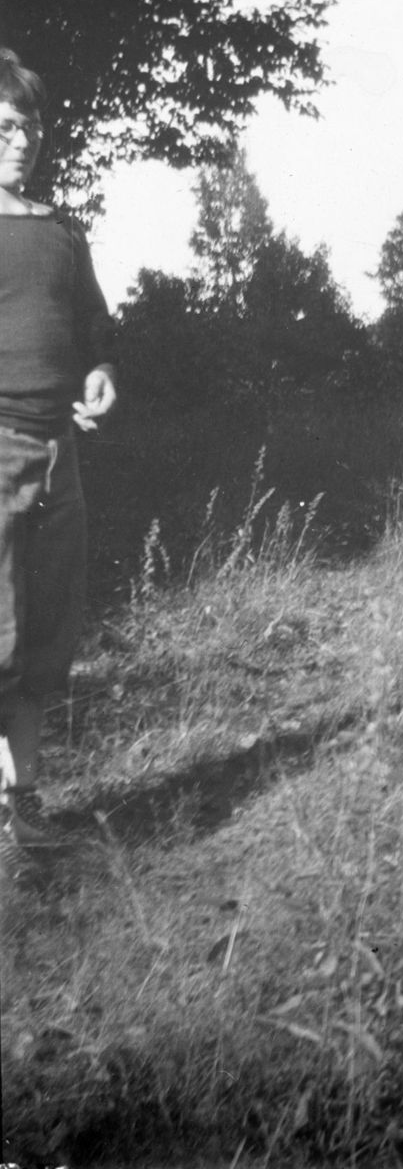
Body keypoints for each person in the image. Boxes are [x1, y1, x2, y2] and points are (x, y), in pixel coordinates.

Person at [0, 49, 117, 846]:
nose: (21, 139)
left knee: (43, 631)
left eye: (31, 125)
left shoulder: (64, 236)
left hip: (57, 455)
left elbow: (96, 331)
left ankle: (25, 803)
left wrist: (103, 372)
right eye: (6, 125)